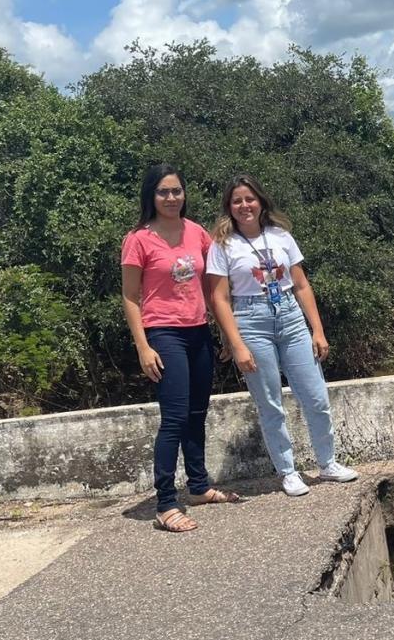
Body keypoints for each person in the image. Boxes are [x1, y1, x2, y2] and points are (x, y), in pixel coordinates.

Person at [206, 173, 358, 497]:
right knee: (270, 403)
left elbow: (301, 285)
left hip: (289, 315)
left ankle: (327, 463)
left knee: (315, 395)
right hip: (250, 320)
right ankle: (287, 471)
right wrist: (237, 344)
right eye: (237, 201)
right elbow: (219, 298)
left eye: (250, 199)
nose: (244, 205)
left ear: (261, 201)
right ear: (229, 207)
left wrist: (317, 329)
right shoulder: (222, 244)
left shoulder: (280, 235)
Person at [122, 163, 240, 533]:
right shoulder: (139, 238)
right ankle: (165, 502)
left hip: (198, 330)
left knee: (196, 414)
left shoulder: (196, 233)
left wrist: (224, 332)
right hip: (163, 333)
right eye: (163, 192)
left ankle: (199, 486)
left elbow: (213, 288)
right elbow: (130, 296)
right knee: (173, 419)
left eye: (176, 191)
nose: (171, 198)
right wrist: (143, 346)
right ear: (151, 197)